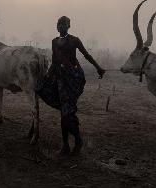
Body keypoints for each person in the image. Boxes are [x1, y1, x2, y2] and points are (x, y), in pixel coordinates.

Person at [36, 16, 105, 156]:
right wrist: (47, 77)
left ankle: (76, 141)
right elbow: (55, 62)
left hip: (73, 78)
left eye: (63, 24)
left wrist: (98, 68)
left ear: (69, 26)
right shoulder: (54, 42)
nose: (60, 26)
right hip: (60, 80)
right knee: (64, 112)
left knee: (66, 112)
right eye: (58, 24)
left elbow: (86, 55)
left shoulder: (74, 40)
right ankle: (67, 144)